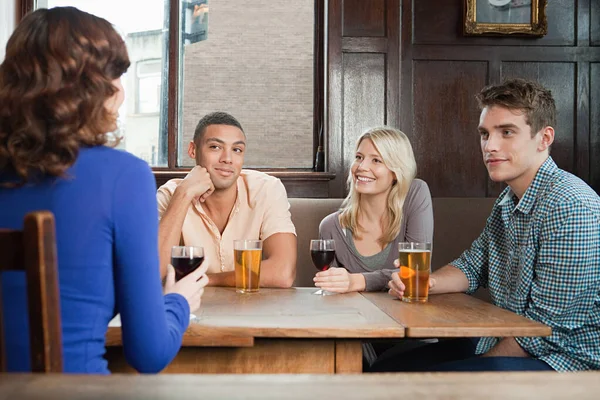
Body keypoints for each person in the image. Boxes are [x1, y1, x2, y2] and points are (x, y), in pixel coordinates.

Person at [0, 7, 208, 374]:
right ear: (93, 88)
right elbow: (148, 353)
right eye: (115, 76)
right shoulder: (122, 176)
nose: (121, 94)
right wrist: (178, 302)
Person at [380, 78, 600, 372]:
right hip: (509, 341)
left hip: (565, 361)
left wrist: (476, 370)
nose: (490, 146)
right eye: (485, 134)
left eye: (506, 132)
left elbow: (545, 330)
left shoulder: (570, 206)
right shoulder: (508, 200)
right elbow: (473, 266)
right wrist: (425, 283)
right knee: (388, 368)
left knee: (419, 384)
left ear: (544, 138)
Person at [157, 112, 297, 287]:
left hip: (254, 308)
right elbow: (153, 271)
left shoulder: (266, 190)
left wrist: (206, 280)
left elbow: (283, 273)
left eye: (236, 150)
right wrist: (183, 194)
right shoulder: (171, 195)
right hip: (194, 309)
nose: (227, 159)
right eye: (215, 147)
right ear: (193, 150)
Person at [314, 127, 433, 294]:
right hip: (354, 316)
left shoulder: (415, 193)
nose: (361, 167)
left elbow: (418, 270)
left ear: (396, 172)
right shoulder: (330, 227)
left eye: (376, 160)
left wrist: (358, 280)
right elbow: (332, 291)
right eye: (359, 157)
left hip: (407, 315)